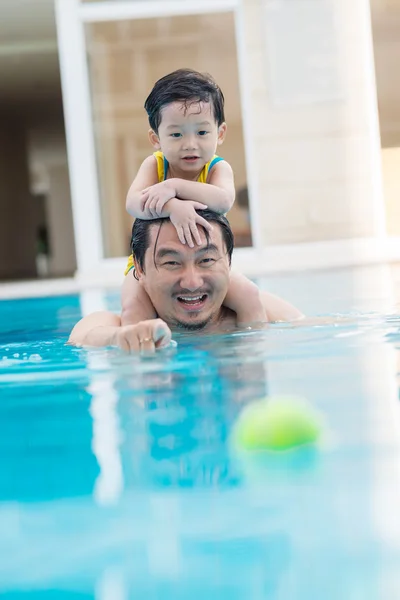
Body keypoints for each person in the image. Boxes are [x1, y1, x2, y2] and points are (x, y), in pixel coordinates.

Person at [122, 68, 266, 327]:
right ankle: (144, 360)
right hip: (153, 267)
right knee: (133, 308)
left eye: (201, 133)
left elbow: (223, 200)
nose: (190, 144)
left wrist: (174, 186)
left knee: (250, 294)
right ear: (156, 139)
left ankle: (250, 350)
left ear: (220, 134)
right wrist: (173, 206)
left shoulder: (217, 168)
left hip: (204, 263)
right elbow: (133, 203)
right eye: (176, 134)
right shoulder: (153, 165)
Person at [69, 210, 303, 352]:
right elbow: (82, 338)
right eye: (172, 263)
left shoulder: (263, 311)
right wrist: (121, 339)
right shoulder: (115, 325)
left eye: (206, 259)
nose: (192, 282)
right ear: (139, 269)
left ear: (229, 263)